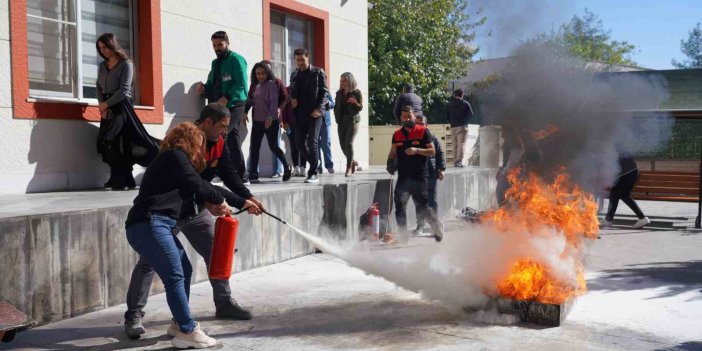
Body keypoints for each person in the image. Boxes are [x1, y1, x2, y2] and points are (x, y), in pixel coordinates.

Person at [123, 105, 264, 340]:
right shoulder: (182, 148)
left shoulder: (217, 142)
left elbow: (226, 175)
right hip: (164, 214)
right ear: (206, 123)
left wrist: (246, 199)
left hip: (193, 210)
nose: (223, 133)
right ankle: (134, 315)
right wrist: (214, 199)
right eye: (221, 127)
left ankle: (222, 302)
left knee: (215, 252)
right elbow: (194, 182)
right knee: (153, 263)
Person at [96, 33, 159, 190]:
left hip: (122, 106)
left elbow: (124, 90)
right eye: (100, 48)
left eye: (105, 47)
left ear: (113, 45)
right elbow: (99, 86)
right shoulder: (101, 66)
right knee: (118, 143)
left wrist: (106, 104)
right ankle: (124, 178)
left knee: (110, 138)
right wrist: (102, 106)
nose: (102, 50)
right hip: (107, 106)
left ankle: (119, 177)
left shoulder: (126, 64)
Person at [196, 31, 249, 183]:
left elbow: (241, 84)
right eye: (214, 45)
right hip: (218, 107)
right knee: (232, 140)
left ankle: (215, 171)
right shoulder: (215, 62)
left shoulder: (236, 59)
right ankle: (242, 176)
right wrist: (203, 88)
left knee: (218, 135)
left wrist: (227, 97)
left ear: (227, 43)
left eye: (220, 44)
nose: (217, 48)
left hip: (234, 105)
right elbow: (212, 83)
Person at [387, 106, 444, 242]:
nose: (407, 118)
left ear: (414, 117)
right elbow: (393, 152)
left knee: (423, 208)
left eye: (409, 116)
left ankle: (437, 227)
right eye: (404, 116)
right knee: (400, 207)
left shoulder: (423, 131)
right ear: (401, 118)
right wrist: (389, 163)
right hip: (403, 177)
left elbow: (432, 151)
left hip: (420, 177)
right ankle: (403, 236)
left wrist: (416, 150)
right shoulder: (397, 134)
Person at [246, 62, 292, 183]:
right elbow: (249, 100)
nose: (260, 76)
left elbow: (274, 103)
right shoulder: (254, 85)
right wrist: (244, 113)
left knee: (274, 147)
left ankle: (287, 167)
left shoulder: (272, 84)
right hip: (257, 121)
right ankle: (253, 174)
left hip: (271, 121)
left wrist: (270, 119)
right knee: (254, 147)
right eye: (258, 74)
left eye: (262, 73)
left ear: (267, 72)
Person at [290, 48, 328, 183]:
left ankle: (313, 173)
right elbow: (292, 93)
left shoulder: (318, 72)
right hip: (300, 114)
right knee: (299, 144)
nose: (300, 62)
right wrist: (292, 100)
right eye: (297, 60)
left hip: (315, 114)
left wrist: (319, 108)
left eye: (302, 60)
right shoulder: (294, 75)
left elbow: (325, 93)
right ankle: (315, 164)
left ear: (308, 58)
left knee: (312, 142)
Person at [413, 115, 445, 234]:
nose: (420, 126)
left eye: (422, 123)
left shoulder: (432, 138)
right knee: (419, 201)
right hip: (418, 174)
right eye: (417, 123)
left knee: (432, 201)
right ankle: (420, 226)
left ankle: (435, 226)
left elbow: (440, 154)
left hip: (431, 173)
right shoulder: (412, 139)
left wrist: (441, 169)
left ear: (426, 125)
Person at [603, 155, 650, 229]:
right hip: (632, 172)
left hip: (626, 173)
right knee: (623, 195)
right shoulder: (618, 145)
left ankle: (608, 220)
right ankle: (642, 218)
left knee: (615, 194)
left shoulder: (612, 146)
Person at [334, 72, 363, 177]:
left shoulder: (356, 92)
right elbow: (336, 107)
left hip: (353, 120)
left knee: (348, 143)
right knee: (342, 145)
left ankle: (349, 167)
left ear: (350, 81)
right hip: (341, 121)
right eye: (341, 81)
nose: (343, 83)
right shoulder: (338, 93)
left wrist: (355, 102)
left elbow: (360, 107)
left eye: (345, 81)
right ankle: (353, 161)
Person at [281, 85, 307, 177]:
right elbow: (284, 106)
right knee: (293, 145)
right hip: (291, 123)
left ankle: (303, 167)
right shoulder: (288, 90)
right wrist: (284, 121)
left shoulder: (306, 89)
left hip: (303, 122)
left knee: (303, 145)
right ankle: (296, 167)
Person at [446, 88, 474, 167]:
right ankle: (459, 161)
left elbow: (447, 116)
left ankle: (455, 161)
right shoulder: (465, 103)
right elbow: (471, 114)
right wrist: (465, 120)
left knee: (454, 144)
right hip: (462, 126)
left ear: (455, 95)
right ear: (462, 95)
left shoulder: (449, 104)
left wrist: (452, 121)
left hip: (452, 126)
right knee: (461, 144)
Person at [318, 91, 335, 174]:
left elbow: (333, 104)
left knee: (326, 143)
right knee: (315, 145)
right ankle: (318, 166)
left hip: (326, 122)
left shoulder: (326, 92)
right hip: (315, 121)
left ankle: (329, 165)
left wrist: (328, 102)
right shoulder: (312, 89)